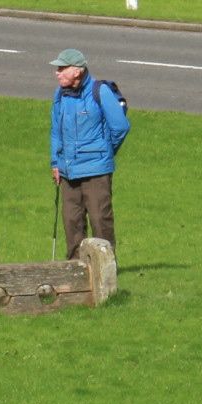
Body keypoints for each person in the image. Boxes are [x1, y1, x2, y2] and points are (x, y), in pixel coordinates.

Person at [47, 48, 129, 252]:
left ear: (77, 71)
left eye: (61, 68)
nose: (57, 73)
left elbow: (120, 126)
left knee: (100, 220)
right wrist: (55, 162)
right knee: (71, 222)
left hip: (96, 171)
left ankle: (106, 270)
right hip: (68, 171)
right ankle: (76, 272)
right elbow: (56, 130)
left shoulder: (100, 91)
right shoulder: (61, 94)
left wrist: (104, 151)